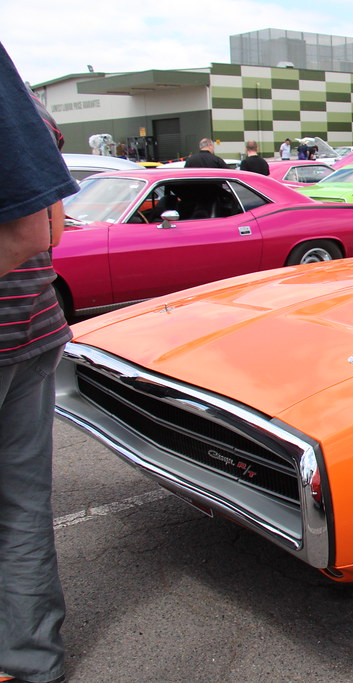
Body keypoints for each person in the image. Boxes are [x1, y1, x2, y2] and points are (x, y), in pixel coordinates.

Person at [0, 41, 78, 683]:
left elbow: (31, 231)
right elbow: (49, 229)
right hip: (31, 320)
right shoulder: (30, 110)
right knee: (22, 503)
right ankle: (30, 661)